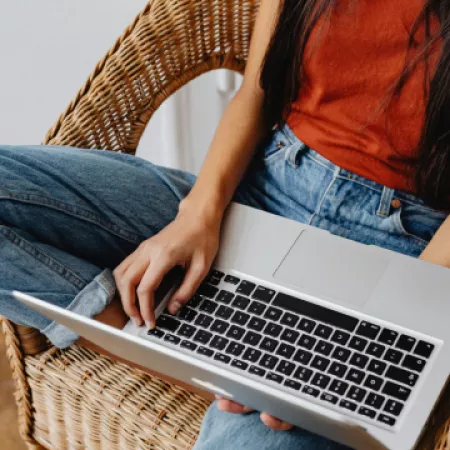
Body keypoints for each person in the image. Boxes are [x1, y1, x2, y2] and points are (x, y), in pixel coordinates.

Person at [2, 0, 450, 448]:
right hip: (259, 188)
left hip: (409, 245)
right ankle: (137, 335)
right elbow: (256, 93)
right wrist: (198, 215)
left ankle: (210, 355)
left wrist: (369, 339)